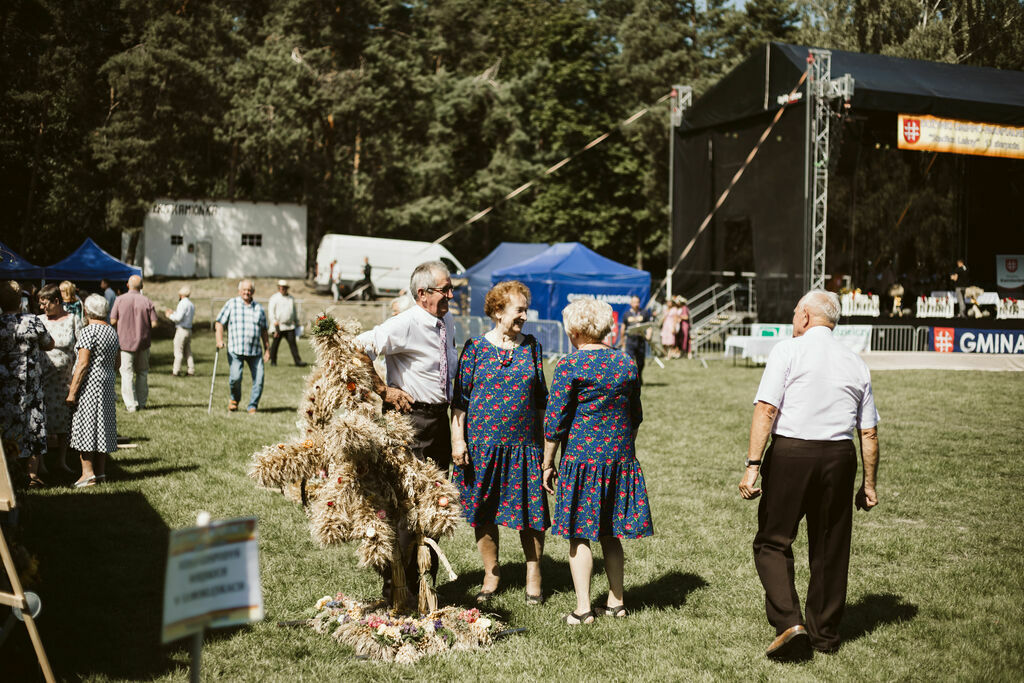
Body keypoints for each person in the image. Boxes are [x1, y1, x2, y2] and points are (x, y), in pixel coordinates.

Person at [738, 290, 880, 660]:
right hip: (839, 455)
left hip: (792, 453)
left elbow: (767, 409)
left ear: (804, 318)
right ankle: (825, 636)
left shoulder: (788, 350)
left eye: (794, 312)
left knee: (773, 540)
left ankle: (789, 622)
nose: (792, 320)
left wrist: (753, 465)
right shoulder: (855, 361)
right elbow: (869, 432)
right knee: (831, 546)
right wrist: (868, 484)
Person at [542, 298, 653, 625]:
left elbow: (554, 422)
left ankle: (583, 608)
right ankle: (617, 602)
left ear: (574, 331)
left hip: (582, 462)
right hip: (619, 459)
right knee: (611, 532)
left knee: (580, 533)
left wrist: (548, 463)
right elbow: (636, 414)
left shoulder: (569, 365)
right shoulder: (626, 362)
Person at [355, 261, 457, 597]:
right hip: (412, 421)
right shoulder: (406, 323)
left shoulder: (446, 321)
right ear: (423, 293)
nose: (451, 295)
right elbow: (357, 347)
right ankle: (397, 586)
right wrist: (384, 390)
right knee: (407, 506)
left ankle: (424, 583)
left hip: (439, 421)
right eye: (446, 289)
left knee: (436, 504)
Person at [451, 281, 549, 605]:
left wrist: (545, 447)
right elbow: (460, 401)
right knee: (483, 512)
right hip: (482, 448)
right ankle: (491, 572)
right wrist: (457, 440)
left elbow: (540, 400)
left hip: (524, 446)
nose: (525, 315)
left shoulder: (532, 347)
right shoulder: (475, 349)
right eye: (519, 309)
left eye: (525, 309)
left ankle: (533, 573)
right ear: (497, 311)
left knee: (531, 514)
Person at [0, 280, 54, 487]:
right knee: (34, 424)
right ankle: (32, 475)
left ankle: (10, 473)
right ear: (21, 302)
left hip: (5, 384)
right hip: (30, 382)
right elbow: (49, 344)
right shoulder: (32, 321)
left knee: (8, 425)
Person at [67, 294, 120, 487]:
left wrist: (72, 392)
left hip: (89, 384)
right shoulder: (112, 332)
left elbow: (82, 364)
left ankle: (87, 474)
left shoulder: (88, 331)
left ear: (87, 311)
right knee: (102, 426)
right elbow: (118, 362)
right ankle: (101, 472)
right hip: (106, 383)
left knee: (87, 427)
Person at [37, 283, 84, 477]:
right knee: (42, 421)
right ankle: (42, 463)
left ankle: (62, 461)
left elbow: (81, 346)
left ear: (57, 301)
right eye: (40, 304)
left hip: (65, 381)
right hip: (43, 380)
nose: (42, 307)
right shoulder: (39, 320)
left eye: (45, 303)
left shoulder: (73, 319)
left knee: (65, 422)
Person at [215, 279, 270, 413]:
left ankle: (253, 405)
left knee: (259, 379)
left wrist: (267, 349)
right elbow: (219, 323)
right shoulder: (231, 304)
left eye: (249, 290)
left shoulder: (259, 308)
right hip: (235, 349)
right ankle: (234, 399)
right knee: (235, 377)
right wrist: (219, 339)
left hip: (255, 351)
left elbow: (264, 330)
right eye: (244, 290)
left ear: (253, 292)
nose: (247, 292)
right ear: (239, 291)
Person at [110, 274, 157, 412]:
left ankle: (131, 405)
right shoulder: (147, 301)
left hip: (125, 343)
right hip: (143, 342)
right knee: (142, 373)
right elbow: (154, 323)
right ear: (142, 286)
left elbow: (112, 321)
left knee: (127, 373)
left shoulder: (119, 300)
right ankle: (142, 403)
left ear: (127, 285)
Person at [268, 280, 306, 367]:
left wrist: (296, 322)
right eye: (281, 287)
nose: (282, 289)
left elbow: (294, 312)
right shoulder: (274, 298)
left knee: (293, 345)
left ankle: (298, 361)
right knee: (275, 345)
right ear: (278, 288)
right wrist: (275, 324)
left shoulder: (291, 298)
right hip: (278, 326)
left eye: (284, 287)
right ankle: (273, 361)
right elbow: (271, 313)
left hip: (289, 326)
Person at [165, 285, 196, 376]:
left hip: (181, 330)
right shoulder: (191, 304)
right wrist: (173, 312)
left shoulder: (182, 303)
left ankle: (176, 370)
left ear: (181, 294)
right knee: (188, 351)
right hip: (189, 330)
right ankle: (191, 369)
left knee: (178, 351)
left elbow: (178, 318)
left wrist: (169, 316)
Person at [621, 295, 652, 384]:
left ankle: (639, 376)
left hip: (641, 341)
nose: (636, 304)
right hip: (630, 341)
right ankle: (631, 379)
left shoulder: (644, 313)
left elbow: (648, 326)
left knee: (641, 362)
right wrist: (623, 341)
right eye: (634, 302)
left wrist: (649, 335)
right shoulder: (627, 314)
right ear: (631, 303)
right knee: (629, 361)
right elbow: (623, 328)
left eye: (637, 302)